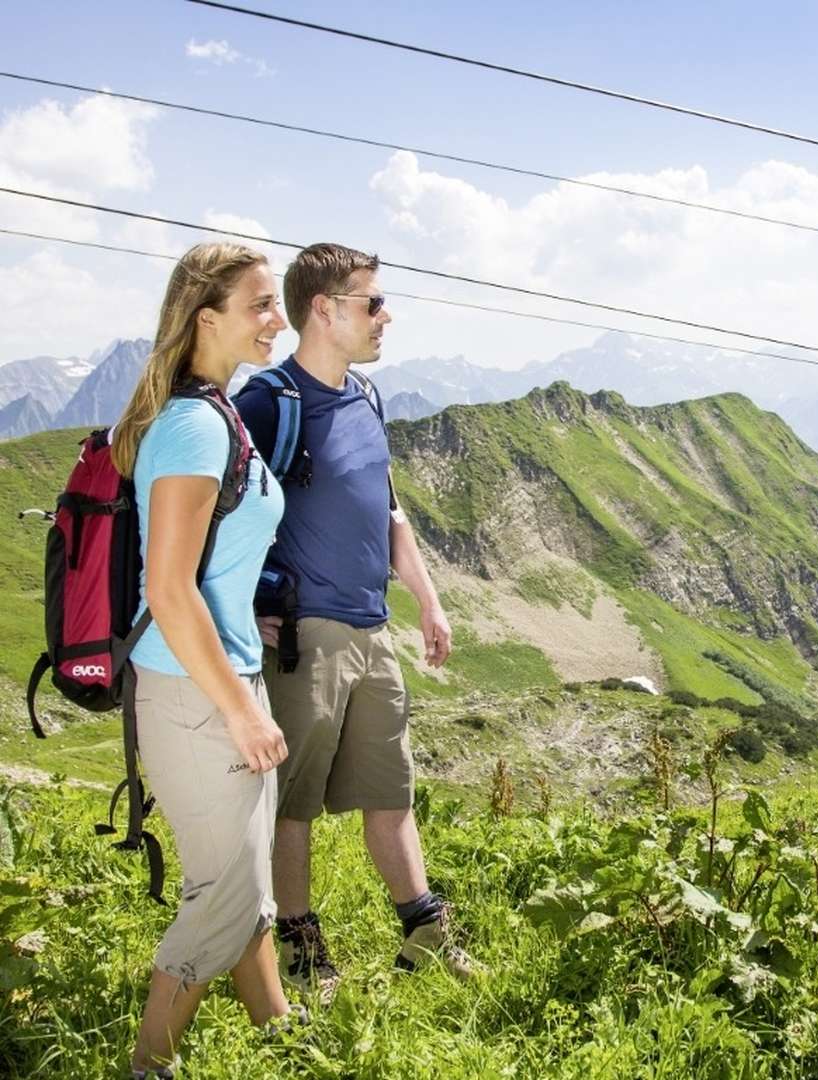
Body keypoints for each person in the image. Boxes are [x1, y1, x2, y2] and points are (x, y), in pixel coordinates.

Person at [235, 242, 471, 999]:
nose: (386, 314)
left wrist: (427, 601)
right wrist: (241, 609)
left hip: (373, 632)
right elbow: (206, 517)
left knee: (391, 790)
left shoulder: (367, 398)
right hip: (303, 639)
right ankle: (302, 954)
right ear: (324, 310)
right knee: (291, 804)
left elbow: (389, 511)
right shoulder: (267, 404)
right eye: (373, 302)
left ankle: (426, 932)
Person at [112, 242, 294, 1078]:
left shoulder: (217, 413)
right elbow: (170, 589)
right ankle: (151, 1064)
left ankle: (282, 1039)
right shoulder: (191, 426)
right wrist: (242, 708)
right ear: (205, 316)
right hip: (197, 696)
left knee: (239, 883)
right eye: (260, 304)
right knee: (223, 896)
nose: (277, 320)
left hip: (213, 679)